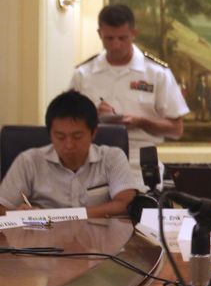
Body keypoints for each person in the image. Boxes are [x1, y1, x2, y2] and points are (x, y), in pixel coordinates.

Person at [70, 4, 189, 189]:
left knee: (139, 215)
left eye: (122, 38)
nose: (115, 45)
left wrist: (140, 122)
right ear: (99, 33)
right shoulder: (83, 73)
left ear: (134, 33)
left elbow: (176, 129)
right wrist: (92, 114)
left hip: (138, 163)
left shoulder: (156, 73)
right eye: (109, 38)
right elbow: (66, 122)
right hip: (92, 159)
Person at [0, 91, 137, 218]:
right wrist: (17, 214)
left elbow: (125, 203)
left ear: (93, 132)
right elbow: (3, 206)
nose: (69, 144)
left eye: (77, 136)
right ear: (49, 134)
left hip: (100, 240)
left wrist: (58, 216)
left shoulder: (112, 157)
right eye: (60, 137)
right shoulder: (29, 161)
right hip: (44, 240)